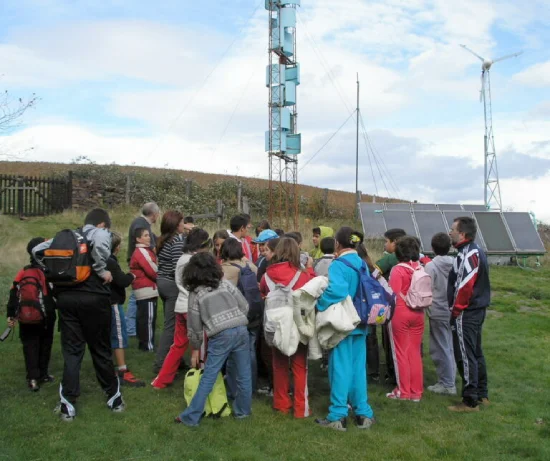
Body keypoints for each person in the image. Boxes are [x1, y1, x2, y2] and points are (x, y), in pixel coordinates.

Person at [33, 208, 123, 422]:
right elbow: (102, 242)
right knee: (100, 349)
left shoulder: (64, 237)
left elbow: (37, 250)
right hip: (95, 299)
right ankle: (114, 398)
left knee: (72, 352)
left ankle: (68, 405)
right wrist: (101, 270)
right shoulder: (99, 233)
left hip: (67, 300)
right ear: (102, 224)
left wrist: (51, 273)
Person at [175, 252, 251, 427]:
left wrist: (195, 347)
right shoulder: (225, 284)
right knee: (244, 374)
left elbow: (194, 326)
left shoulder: (195, 294)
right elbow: (244, 305)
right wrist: (236, 319)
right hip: (241, 329)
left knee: (209, 375)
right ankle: (243, 412)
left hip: (220, 335)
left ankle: (191, 416)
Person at [315, 227, 375, 431]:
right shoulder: (362, 262)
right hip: (361, 322)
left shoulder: (338, 264)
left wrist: (320, 303)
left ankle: (338, 415)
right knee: (358, 368)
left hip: (343, 323)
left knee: (339, 368)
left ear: (338, 245)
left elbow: (337, 290)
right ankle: (363, 413)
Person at [259, 238, 315, 418]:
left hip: (277, 325)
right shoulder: (303, 275)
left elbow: (262, 291)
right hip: (298, 324)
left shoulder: (267, 275)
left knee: (279, 365)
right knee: (299, 367)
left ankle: (281, 403)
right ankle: (300, 408)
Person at [151, 228, 212, 389]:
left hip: (181, 305)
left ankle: (162, 380)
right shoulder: (193, 261)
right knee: (201, 345)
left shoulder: (182, 258)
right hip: (192, 308)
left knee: (178, 346)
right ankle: (203, 380)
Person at [447, 217, 490, 412]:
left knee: (465, 354)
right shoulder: (475, 251)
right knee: (475, 352)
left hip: (466, 312)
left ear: (462, 234)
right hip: (476, 310)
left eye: (452, 229)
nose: (449, 232)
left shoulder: (468, 253)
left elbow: (463, 287)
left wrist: (455, 311)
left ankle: (470, 400)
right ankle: (482, 393)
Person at [6, 237, 56, 392]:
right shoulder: (47, 272)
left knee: (29, 345)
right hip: (46, 314)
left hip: (26, 315)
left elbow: (14, 292)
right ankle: (43, 374)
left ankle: (32, 378)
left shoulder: (24, 271)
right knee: (45, 343)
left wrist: (11, 314)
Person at [386, 236, 425, 402]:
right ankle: (416, 392)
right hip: (418, 311)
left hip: (401, 312)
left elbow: (392, 293)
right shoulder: (420, 268)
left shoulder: (398, 270)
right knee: (414, 352)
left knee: (400, 352)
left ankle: (403, 391)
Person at [220, 238, 259, 394]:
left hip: (235, 315)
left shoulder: (224, 269)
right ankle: (251, 385)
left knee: (233, 354)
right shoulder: (248, 266)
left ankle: (233, 387)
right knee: (251, 352)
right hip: (253, 313)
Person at [369, 228, 406, 384]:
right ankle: (406, 376)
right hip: (411, 306)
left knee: (390, 341)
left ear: (395, 242)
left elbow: (373, 275)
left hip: (393, 305)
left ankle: (392, 373)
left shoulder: (391, 258)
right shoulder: (415, 256)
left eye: (386, 241)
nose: (385, 244)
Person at [107, 232, 145, 386]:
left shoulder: (98, 259)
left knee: (109, 335)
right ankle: (122, 370)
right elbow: (121, 280)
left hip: (103, 303)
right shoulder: (110, 261)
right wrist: (132, 276)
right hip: (113, 303)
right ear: (115, 248)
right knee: (119, 335)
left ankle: (109, 367)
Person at [153, 211, 186, 374]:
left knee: (172, 323)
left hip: (162, 282)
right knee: (171, 326)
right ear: (176, 224)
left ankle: (177, 359)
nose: (184, 224)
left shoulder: (163, 240)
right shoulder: (176, 242)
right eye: (182, 222)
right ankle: (160, 363)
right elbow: (177, 268)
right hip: (172, 285)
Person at [424, 232, 456, 395]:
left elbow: (426, 288)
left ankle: (447, 383)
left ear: (432, 248)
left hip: (437, 310)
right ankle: (450, 378)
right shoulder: (456, 263)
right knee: (449, 346)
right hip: (452, 310)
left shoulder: (430, 266)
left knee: (440, 347)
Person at [126, 202, 160, 337]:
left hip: (138, 261)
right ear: (154, 214)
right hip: (140, 262)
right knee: (136, 296)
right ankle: (131, 328)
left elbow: (154, 239)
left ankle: (133, 328)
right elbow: (151, 245)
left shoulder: (141, 222)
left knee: (136, 296)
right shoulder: (141, 224)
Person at [129, 228, 159, 351]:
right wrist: (161, 275)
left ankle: (144, 344)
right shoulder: (142, 251)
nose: (149, 237)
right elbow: (152, 270)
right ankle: (148, 346)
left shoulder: (141, 251)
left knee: (143, 318)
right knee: (148, 319)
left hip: (143, 289)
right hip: (146, 290)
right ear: (138, 238)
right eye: (146, 235)